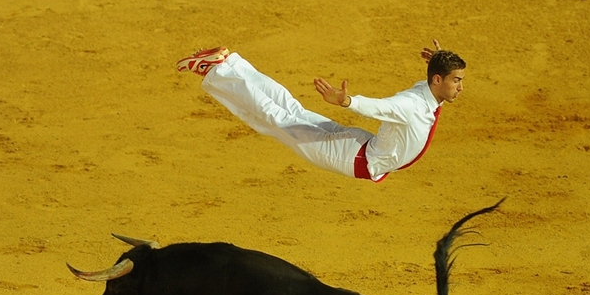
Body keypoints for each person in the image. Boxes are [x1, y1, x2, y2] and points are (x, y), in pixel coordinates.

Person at [176, 40, 465, 182]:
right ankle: (215, 69)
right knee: (277, 119)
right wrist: (347, 102)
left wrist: (437, 61)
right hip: (351, 156)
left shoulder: (426, 91)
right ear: (437, 80)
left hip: (357, 145)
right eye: (456, 80)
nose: (460, 87)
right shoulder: (411, 105)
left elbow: (431, 84)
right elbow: (380, 107)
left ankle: (230, 64)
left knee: (289, 110)